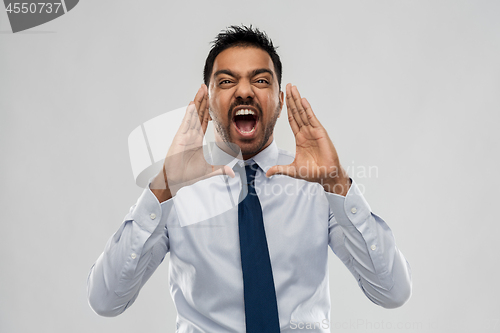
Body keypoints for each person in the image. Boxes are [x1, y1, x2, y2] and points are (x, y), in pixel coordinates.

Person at [87, 25, 412, 332]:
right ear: (209, 101)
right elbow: (106, 300)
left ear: (280, 101)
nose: (244, 91)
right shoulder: (175, 190)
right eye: (227, 82)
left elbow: (392, 292)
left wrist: (337, 183)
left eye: (260, 80)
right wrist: (163, 187)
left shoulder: (318, 187)